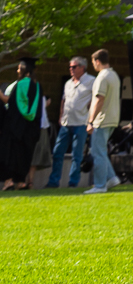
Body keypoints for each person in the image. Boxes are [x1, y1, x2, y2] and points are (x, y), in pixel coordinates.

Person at [46, 56, 95, 189]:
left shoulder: (91, 81)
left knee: (77, 155)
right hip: (66, 123)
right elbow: (64, 100)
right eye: (70, 67)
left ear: (82, 68)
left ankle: (73, 183)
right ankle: (53, 182)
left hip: (81, 123)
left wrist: (91, 118)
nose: (71, 69)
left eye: (73, 67)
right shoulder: (68, 83)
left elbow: (96, 100)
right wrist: (61, 116)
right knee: (57, 152)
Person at [1, 59, 44, 190]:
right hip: (31, 128)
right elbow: (38, 110)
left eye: (19, 68)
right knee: (25, 155)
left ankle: (9, 181)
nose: (17, 71)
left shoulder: (19, 85)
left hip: (15, 128)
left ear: (25, 70)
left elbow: (11, 104)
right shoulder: (38, 86)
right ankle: (21, 181)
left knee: (10, 154)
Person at [85, 48, 121, 195]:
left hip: (102, 120)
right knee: (101, 151)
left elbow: (99, 99)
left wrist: (90, 121)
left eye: (93, 62)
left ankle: (100, 186)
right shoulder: (114, 75)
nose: (93, 65)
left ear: (97, 61)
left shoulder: (102, 77)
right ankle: (112, 178)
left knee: (97, 153)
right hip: (113, 119)